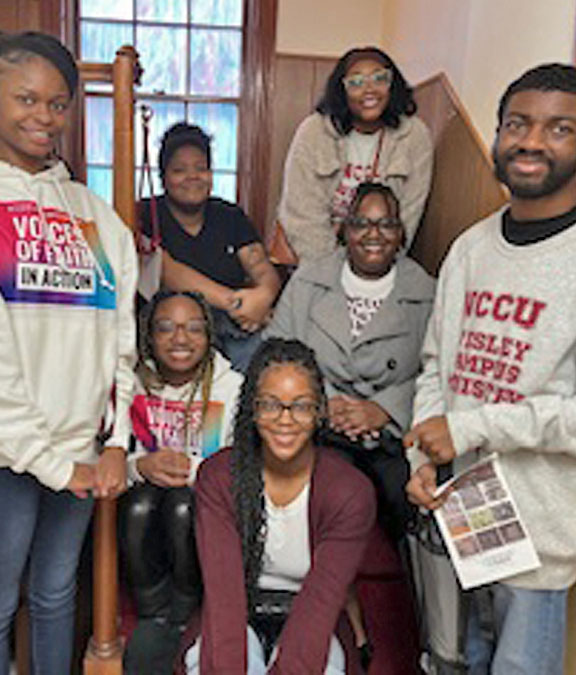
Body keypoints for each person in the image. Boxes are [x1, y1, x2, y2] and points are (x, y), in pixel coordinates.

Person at [404, 63, 576, 674]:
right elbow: (438, 365)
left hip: (540, 526)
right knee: (460, 659)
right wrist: (424, 455)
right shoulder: (470, 248)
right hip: (466, 507)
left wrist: (477, 428)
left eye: (559, 128)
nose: (531, 141)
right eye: (517, 124)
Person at [0, 32, 136, 674]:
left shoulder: (96, 217)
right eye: (26, 98)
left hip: (81, 448)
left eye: (58, 104)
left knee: (56, 596)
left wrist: (114, 441)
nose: (43, 117)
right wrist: (48, 462)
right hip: (9, 452)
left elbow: (120, 343)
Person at [190, 338, 375, 672]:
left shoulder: (349, 492)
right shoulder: (218, 478)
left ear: (319, 412)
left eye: (301, 405)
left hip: (311, 618)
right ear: (252, 408)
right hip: (236, 613)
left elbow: (320, 606)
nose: (285, 419)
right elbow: (223, 597)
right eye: (270, 404)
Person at [267, 181, 433, 543]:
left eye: (386, 224)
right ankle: (336, 592)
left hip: (393, 434)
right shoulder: (308, 283)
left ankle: (409, 597)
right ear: (344, 230)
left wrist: (382, 410)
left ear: (401, 232)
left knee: (407, 495)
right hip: (318, 427)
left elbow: (437, 372)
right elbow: (276, 355)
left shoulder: (426, 292)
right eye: (361, 223)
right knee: (333, 492)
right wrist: (323, 403)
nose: (374, 235)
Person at [119, 290, 242, 671]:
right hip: (143, 499)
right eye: (166, 328)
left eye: (194, 328)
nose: (180, 339)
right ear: (149, 336)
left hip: (200, 504)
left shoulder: (230, 386)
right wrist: (140, 466)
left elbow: (236, 466)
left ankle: (186, 607)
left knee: (182, 506)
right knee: (139, 506)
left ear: (209, 336)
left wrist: (192, 471)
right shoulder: (132, 384)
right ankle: (154, 611)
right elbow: (109, 457)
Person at [142, 122, 281, 372]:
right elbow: (165, 269)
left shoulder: (229, 215)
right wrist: (237, 304)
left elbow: (262, 268)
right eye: (179, 170)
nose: (192, 177)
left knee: (264, 363)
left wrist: (263, 296)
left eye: (201, 168)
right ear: (163, 177)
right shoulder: (144, 214)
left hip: (232, 330)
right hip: (170, 331)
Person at [278, 46, 432, 263]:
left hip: (381, 259)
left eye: (380, 78)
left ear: (393, 85)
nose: (369, 89)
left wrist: (373, 266)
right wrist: (331, 271)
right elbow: (301, 213)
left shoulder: (415, 135)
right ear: (342, 91)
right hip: (317, 257)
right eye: (356, 82)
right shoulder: (313, 131)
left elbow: (409, 214)